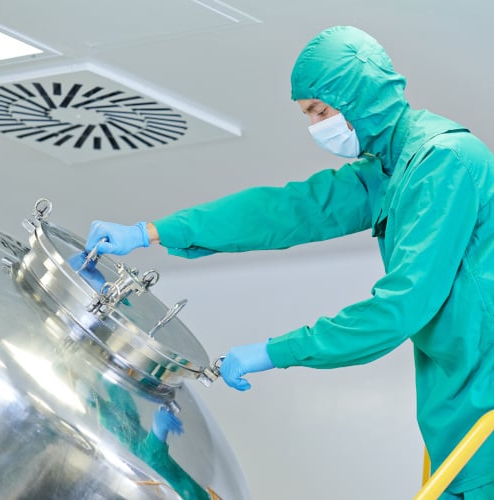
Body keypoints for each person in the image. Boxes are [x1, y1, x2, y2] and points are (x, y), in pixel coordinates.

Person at [84, 26, 494, 499]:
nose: (316, 126)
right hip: (457, 431)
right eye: (308, 115)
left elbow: (401, 308)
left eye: (320, 110)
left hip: (483, 423)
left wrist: (277, 351)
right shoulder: (390, 171)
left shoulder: (444, 162)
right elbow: (287, 211)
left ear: (360, 94)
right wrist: (153, 231)